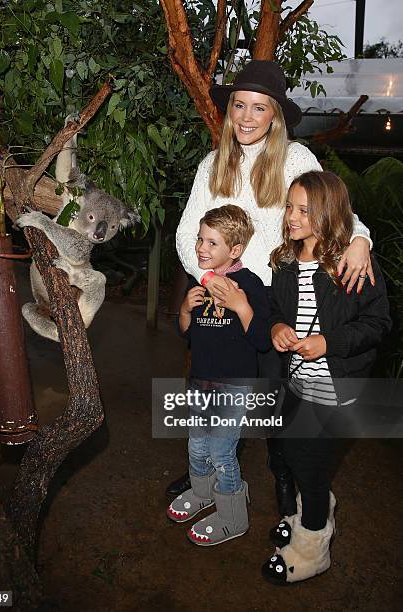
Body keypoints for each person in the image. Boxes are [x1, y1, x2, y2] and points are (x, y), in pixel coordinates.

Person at [169, 59, 374, 517]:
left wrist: (360, 239)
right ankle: (204, 466)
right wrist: (209, 279)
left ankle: (283, 477)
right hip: (221, 293)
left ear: (275, 116)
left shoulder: (296, 159)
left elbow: (332, 209)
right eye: (239, 105)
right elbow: (186, 234)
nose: (245, 117)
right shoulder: (212, 164)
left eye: (258, 108)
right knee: (211, 385)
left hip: (274, 296)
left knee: (273, 398)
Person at [261, 170, 391, 584]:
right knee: (299, 458)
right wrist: (277, 327)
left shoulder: (353, 264)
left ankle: (314, 545)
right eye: (289, 207)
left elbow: (379, 323)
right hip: (298, 383)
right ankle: (310, 512)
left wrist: (328, 343)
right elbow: (276, 310)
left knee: (311, 467)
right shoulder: (283, 262)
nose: (292, 217)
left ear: (329, 212)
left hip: (339, 390)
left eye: (304, 210)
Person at [167, 205, 271, 546]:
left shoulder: (250, 285)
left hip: (232, 387)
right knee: (197, 445)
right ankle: (204, 494)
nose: (201, 248)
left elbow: (261, 341)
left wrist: (242, 306)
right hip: (200, 382)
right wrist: (185, 309)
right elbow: (187, 334)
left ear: (234, 250)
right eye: (200, 239)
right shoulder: (199, 284)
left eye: (212, 243)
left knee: (221, 452)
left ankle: (233, 516)